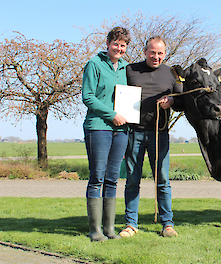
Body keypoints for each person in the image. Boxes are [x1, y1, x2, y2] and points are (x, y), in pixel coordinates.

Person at [119, 36, 183, 238]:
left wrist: (172, 100)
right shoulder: (130, 70)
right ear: (145, 52)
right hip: (134, 133)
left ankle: (168, 224)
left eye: (160, 53)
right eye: (152, 52)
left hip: (160, 134)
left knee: (162, 180)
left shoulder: (171, 73)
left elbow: (182, 100)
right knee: (132, 180)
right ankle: (131, 225)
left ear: (165, 54)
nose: (156, 57)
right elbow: (118, 94)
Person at [82, 27, 131, 242]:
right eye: (116, 43)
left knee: (112, 179)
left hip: (121, 130)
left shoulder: (126, 68)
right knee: (97, 178)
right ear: (108, 43)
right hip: (98, 127)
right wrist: (112, 115)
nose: (119, 48)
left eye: (123, 45)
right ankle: (95, 230)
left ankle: (109, 228)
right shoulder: (94, 64)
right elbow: (88, 96)